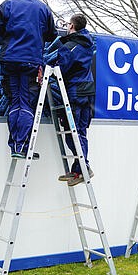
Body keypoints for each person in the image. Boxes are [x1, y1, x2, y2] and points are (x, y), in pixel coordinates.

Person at [0, 0, 57, 159]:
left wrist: (7, 38)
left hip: (9, 60)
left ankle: (15, 146)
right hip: (31, 62)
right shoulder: (43, 9)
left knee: (15, 102)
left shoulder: (8, 4)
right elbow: (52, 34)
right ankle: (21, 145)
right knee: (26, 103)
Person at [55, 14, 96, 186]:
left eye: (67, 24)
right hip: (88, 91)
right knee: (80, 131)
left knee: (73, 133)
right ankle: (77, 169)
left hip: (75, 92)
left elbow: (61, 68)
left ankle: (83, 168)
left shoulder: (70, 46)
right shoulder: (88, 43)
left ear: (72, 26)